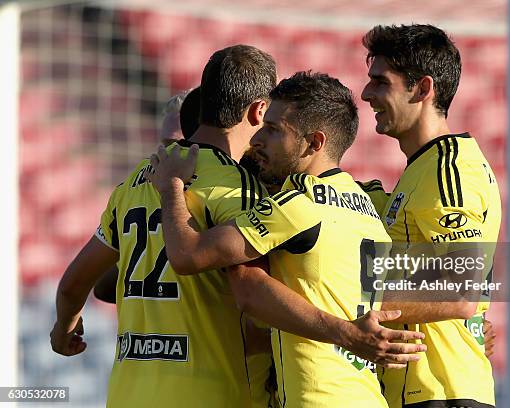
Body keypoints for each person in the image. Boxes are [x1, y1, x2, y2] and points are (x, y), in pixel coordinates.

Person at [52, 47, 420, 407]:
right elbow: (249, 289)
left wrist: (63, 330)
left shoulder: (138, 179)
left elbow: (75, 285)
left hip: (127, 393)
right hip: (217, 392)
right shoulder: (244, 187)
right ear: (259, 109)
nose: (262, 139)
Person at [147, 71, 427, 407]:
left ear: (314, 143)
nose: (257, 139)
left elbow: (188, 256)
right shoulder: (368, 207)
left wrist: (171, 188)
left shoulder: (297, 204)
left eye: (274, 129)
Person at [360, 24, 501, 407]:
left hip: (443, 392)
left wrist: (356, 307)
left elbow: (460, 290)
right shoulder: (427, 169)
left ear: (422, 89)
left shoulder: (447, 171)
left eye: (380, 82)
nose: (366, 93)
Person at [93, 88, 200, 304]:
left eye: (180, 145)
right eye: (165, 145)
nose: (168, 154)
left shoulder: (226, 196)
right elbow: (102, 286)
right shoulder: (134, 193)